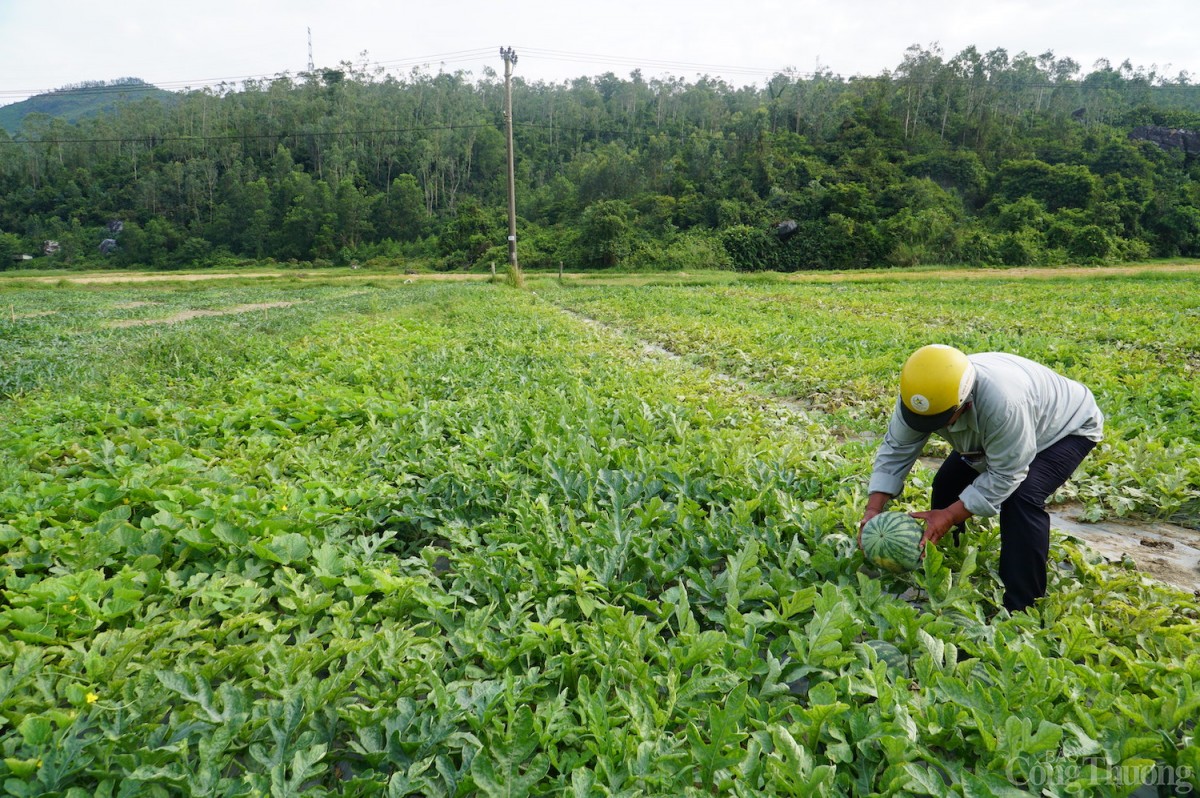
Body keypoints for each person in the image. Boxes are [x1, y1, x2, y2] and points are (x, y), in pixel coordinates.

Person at [859, 344, 1104, 612]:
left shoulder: (1004, 404)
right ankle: (945, 558)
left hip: (1065, 428)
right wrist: (873, 510)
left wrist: (950, 516)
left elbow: (1007, 474)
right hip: (1007, 428)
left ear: (963, 404)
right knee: (947, 484)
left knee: (1022, 498)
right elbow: (896, 449)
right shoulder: (920, 395)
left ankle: (1023, 606)